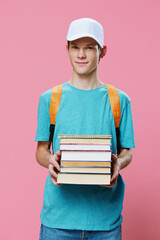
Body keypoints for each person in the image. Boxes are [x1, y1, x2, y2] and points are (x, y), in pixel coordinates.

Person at [35, 18, 135, 240]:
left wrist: (118, 162)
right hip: (58, 222)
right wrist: (49, 161)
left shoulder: (119, 100)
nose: (81, 55)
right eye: (75, 47)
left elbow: (127, 152)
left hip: (105, 222)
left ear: (103, 51)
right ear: (67, 49)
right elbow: (41, 150)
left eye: (89, 47)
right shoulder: (50, 99)